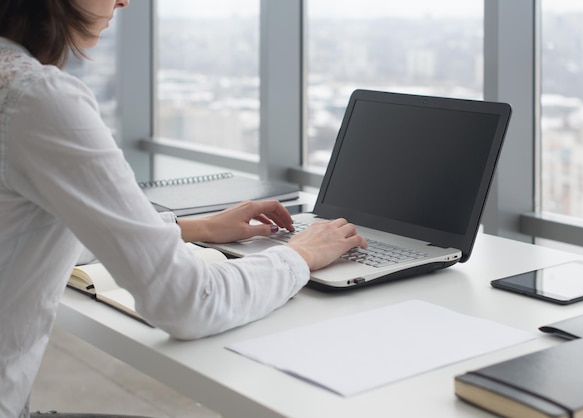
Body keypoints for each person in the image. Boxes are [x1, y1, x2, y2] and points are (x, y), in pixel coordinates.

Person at [0, 1, 367, 417]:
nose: (124, 1)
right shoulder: (34, 97)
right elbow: (188, 302)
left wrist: (199, 228)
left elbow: (28, 231)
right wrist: (301, 253)